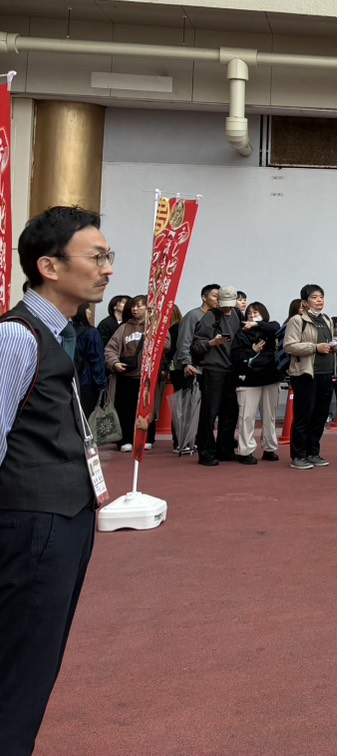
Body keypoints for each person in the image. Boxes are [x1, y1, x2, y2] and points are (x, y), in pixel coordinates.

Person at [0, 206, 114, 753]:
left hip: (63, 517)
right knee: (19, 669)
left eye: (108, 256)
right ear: (49, 266)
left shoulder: (62, 333)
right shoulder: (17, 337)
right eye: (96, 257)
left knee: (34, 664)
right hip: (31, 523)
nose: (108, 268)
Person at [283, 285, 337, 469]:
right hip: (305, 374)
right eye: (315, 297)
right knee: (304, 415)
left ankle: (313, 452)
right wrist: (315, 347)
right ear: (305, 302)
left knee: (320, 416)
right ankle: (298, 455)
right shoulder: (297, 320)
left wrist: (334, 347)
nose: (319, 300)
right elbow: (289, 346)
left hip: (326, 373)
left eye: (321, 297)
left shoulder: (326, 320)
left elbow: (326, 343)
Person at [191, 283, 243, 467]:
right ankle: (206, 452)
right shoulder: (210, 316)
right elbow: (197, 344)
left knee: (230, 412)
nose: (227, 308)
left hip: (232, 369)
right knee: (209, 413)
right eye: (224, 304)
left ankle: (225, 449)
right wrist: (212, 343)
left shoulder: (238, 315)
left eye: (230, 304)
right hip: (214, 369)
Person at [232, 302, 282, 464]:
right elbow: (236, 357)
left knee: (270, 416)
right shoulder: (241, 333)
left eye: (256, 313)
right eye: (250, 314)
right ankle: (245, 451)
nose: (252, 316)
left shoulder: (270, 329)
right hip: (249, 380)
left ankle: (269, 448)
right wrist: (252, 351)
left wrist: (258, 324)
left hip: (271, 378)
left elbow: (276, 326)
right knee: (246, 417)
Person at [169, 284, 216, 457]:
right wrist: (186, 363)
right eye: (214, 296)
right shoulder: (193, 316)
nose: (218, 299)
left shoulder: (216, 316)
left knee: (202, 406)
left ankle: (197, 440)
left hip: (207, 367)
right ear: (204, 297)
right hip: (188, 367)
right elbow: (184, 341)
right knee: (184, 406)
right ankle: (181, 442)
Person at [102, 294, 149, 451]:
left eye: (139, 306)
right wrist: (114, 363)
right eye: (133, 306)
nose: (135, 309)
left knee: (145, 410)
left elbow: (166, 345)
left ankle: (145, 438)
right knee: (124, 409)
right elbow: (110, 349)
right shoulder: (123, 328)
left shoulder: (153, 327)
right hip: (126, 375)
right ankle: (124, 440)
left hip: (146, 377)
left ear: (147, 308)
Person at [72, 309, 108, 418]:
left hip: (71, 380)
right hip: (88, 383)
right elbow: (97, 360)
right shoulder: (92, 333)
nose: (90, 312)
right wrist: (102, 385)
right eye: (87, 308)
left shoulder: (66, 330)